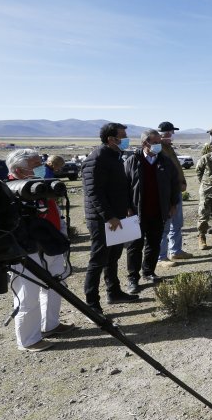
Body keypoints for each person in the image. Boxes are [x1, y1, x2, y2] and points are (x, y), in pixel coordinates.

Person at [5, 149, 76, 351]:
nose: (41, 168)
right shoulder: (8, 190)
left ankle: (50, 325)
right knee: (29, 294)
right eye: (36, 165)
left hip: (51, 245)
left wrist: (62, 233)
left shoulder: (38, 186)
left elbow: (54, 210)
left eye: (41, 164)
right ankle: (28, 339)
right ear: (19, 170)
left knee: (55, 286)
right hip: (27, 251)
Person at [81, 122, 139, 315]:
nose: (126, 140)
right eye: (122, 136)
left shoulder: (114, 156)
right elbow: (94, 192)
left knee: (113, 257)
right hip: (102, 219)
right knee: (98, 259)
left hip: (118, 216)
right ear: (111, 139)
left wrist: (126, 209)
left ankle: (113, 292)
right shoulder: (96, 159)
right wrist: (109, 217)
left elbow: (120, 188)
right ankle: (91, 304)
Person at [124, 130, 180, 294]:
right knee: (135, 246)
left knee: (154, 243)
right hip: (136, 212)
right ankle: (132, 278)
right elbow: (124, 186)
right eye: (154, 142)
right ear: (144, 144)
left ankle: (148, 272)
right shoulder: (132, 161)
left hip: (158, 210)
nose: (158, 145)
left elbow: (174, 184)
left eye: (159, 142)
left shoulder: (165, 161)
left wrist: (173, 204)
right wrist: (127, 207)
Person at [157, 121, 194, 266]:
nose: (172, 135)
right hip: (167, 193)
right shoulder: (159, 149)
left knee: (177, 223)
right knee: (165, 225)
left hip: (176, 191)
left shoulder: (168, 148)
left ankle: (176, 251)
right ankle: (161, 257)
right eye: (170, 133)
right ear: (165, 134)